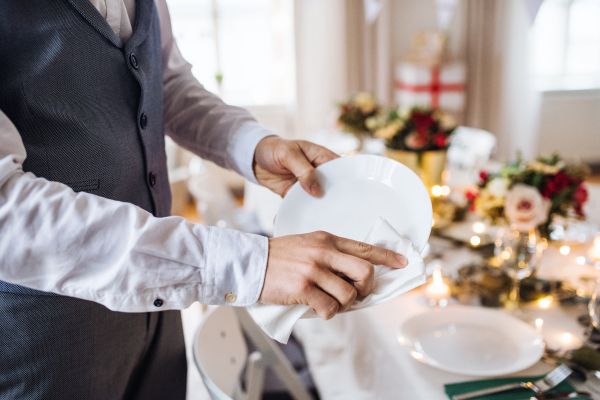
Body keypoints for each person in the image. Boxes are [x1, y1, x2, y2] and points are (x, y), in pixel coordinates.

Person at [0, 0, 408, 398]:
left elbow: (167, 83)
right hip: (46, 338)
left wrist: (252, 145)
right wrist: (250, 264)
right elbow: (8, 209)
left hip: (161, 305)